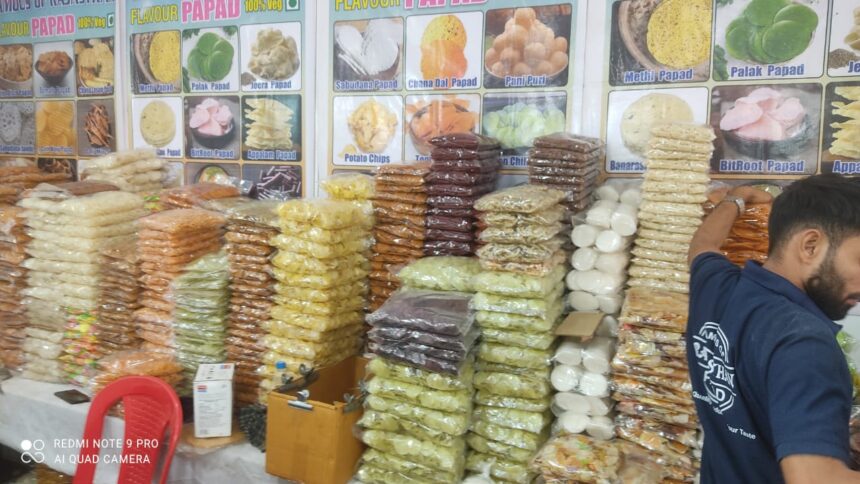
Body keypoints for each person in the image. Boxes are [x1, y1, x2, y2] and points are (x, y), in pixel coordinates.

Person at [687, 174, 860, 484]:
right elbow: (814, 480)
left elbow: (702, 245)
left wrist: (737, 198)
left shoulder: (717, 287)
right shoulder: (805, 343)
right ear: (810, 246)